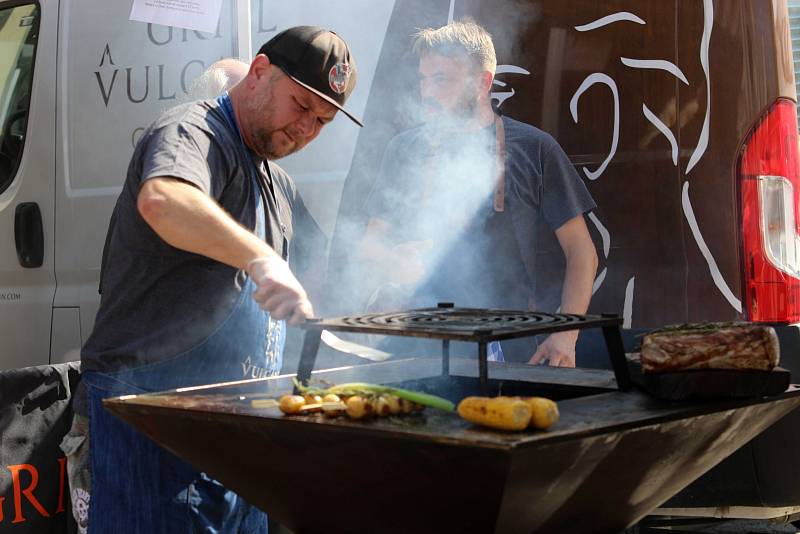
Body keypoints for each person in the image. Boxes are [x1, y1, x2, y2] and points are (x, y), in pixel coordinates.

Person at [72, 26, 361, 533]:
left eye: (322, 120)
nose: (307, 129)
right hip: (155, 421)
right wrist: (263, 261)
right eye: (301, 106)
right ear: (259, 72)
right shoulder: (193, 130)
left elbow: (325, 268)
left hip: (234, 429)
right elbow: (163, 200)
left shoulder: (275, 177)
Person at [359, 20, 597, 367]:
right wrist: (394, 260)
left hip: (512, 349)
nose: (427, 93)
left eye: (441, 79)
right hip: (418, 350)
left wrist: (566, 336)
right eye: (424, 79)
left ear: (482, 83)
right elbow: (369, 246)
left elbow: (582, 253)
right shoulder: (403, 150)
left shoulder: (535, 149)